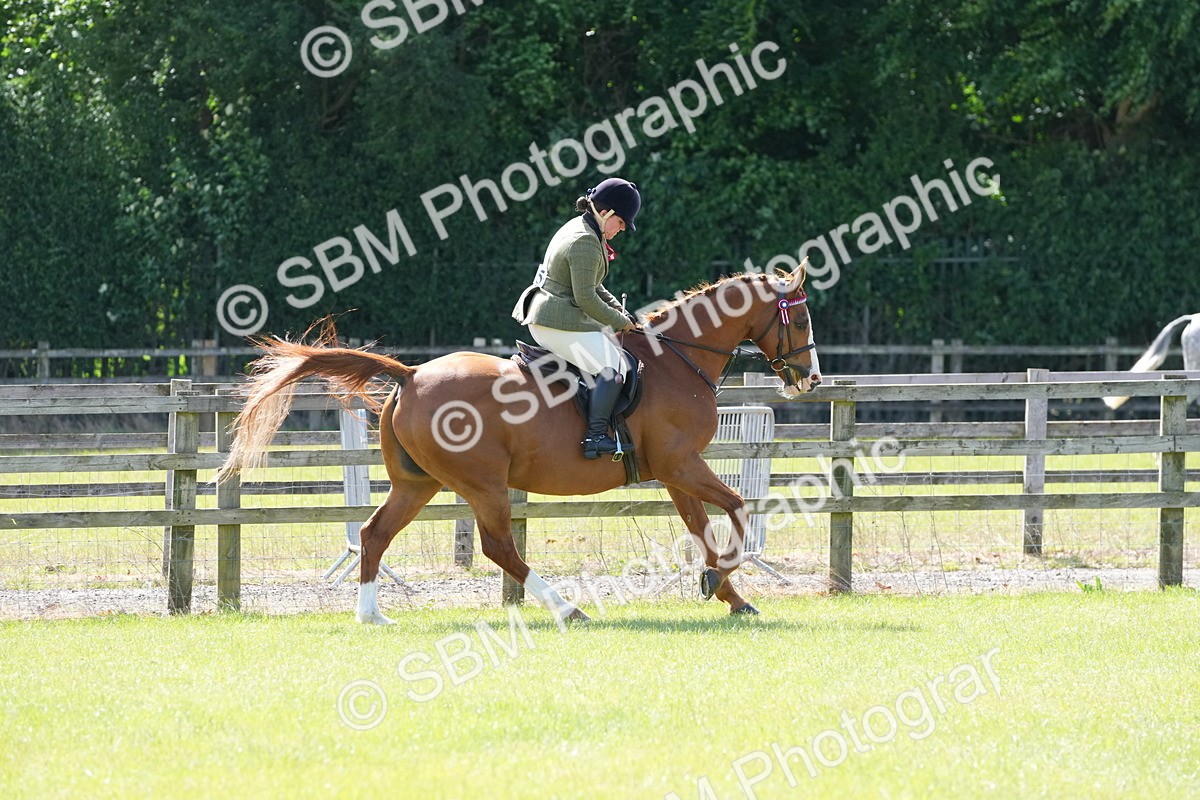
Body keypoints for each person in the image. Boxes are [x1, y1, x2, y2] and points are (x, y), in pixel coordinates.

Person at [511, 177, 642, 460]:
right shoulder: (585, 241)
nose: (622, 229)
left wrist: (618, 311)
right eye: (621, 222)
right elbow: (586, 299)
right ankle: (595, 437)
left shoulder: (582, 228)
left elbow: (594, 286)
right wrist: (620, 322)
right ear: (606, 213)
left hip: (554, 314)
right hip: (555, 321)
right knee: (613, 367)